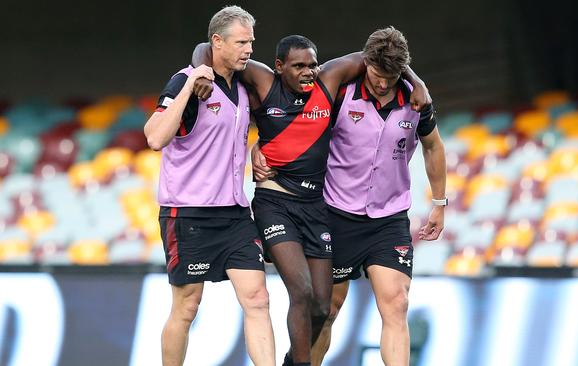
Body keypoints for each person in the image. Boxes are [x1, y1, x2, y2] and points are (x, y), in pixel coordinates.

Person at [192, 33, 431, 366]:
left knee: (322, 307)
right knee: (302, 293)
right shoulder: (264, 82)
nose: (308, 72)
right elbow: (210, 51)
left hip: (316, 207)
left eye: (313, 64)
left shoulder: (328, 82)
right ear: (279, 67)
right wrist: (200, 71)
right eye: (299, 66)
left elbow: (378, 55)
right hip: (275, 202)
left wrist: (416, 80)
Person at [304, 27, 447, 366]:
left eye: (391, 76)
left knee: (397, 303)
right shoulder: (342, 92)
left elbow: (433, 147)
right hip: (336, 214)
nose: (383, 83)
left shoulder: (417, 101)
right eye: (378, 75)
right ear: (365, 62)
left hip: (388, 218)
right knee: (326, 311)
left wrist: (439, 204)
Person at [143, 6, 275, 366]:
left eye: (251, 41)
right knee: (186, 307)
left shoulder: (244, 84)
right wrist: (187, 87)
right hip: (188, 213)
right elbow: (154, 138)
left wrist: (255, 146)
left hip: (234, 213)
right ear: (216, 42)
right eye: (241, 42)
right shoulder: (186, 81)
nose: (249, 49)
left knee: (258, 298)